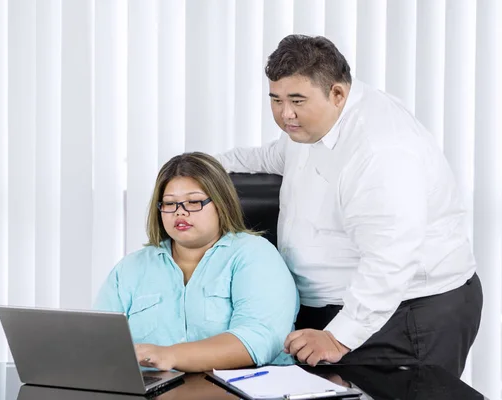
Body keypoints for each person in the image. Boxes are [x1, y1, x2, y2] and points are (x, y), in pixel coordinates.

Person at [216, 34, 482, 377]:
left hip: (408, 313)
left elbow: (390, 260)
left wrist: (340, 337)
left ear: (338, 93)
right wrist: (201, 165)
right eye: (276, 99)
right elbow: (273, 156)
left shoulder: (380, 150)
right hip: (343, 309)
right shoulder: (312, 122)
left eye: (296, 100)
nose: (285, 114)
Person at [94, 152, 298, 372]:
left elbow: (259, 339)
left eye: (194, 202)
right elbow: (98, 341)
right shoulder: (130, 268)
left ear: (221, 203)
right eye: (170, 204)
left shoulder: (255, 255)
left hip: (234, 390)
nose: (180, 212)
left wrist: (169, 355)